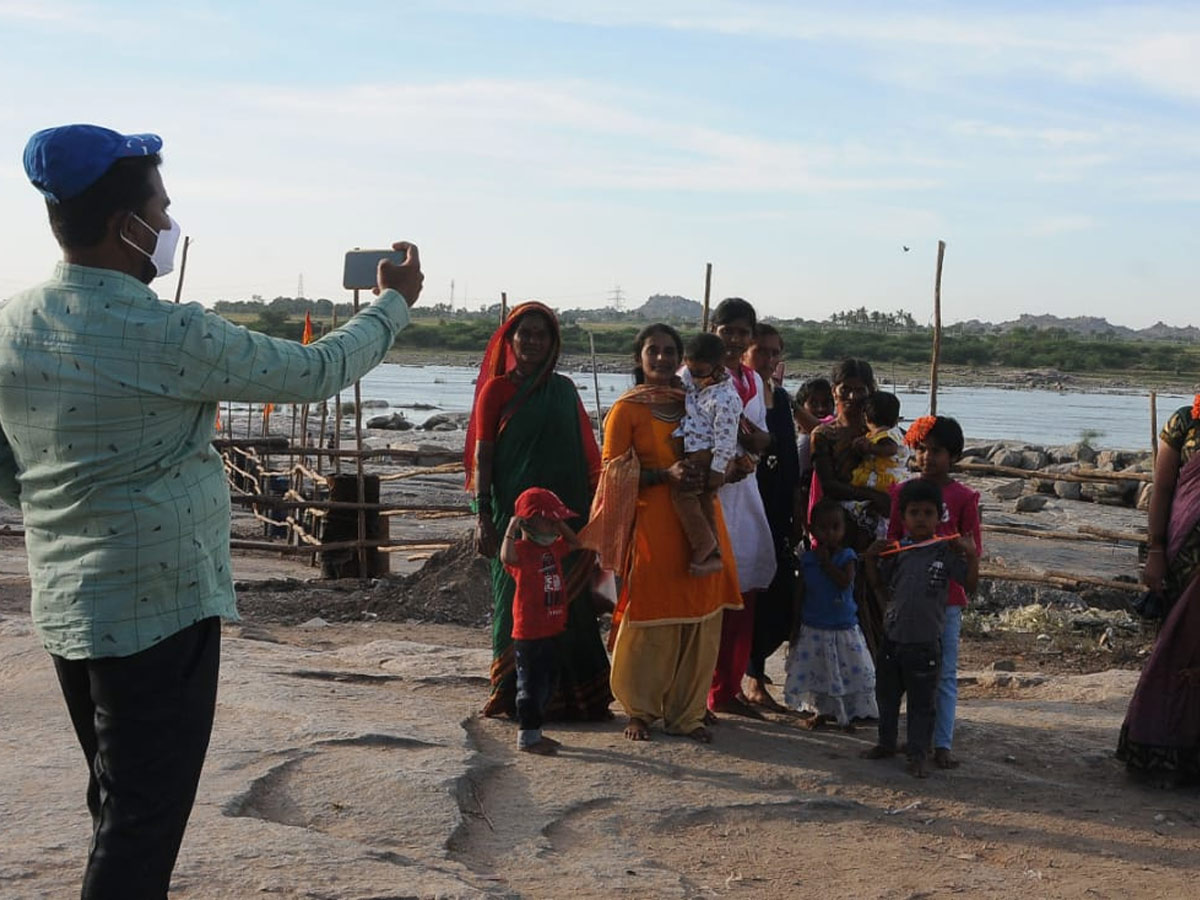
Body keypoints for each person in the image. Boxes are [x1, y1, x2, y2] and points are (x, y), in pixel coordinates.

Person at [0, 123, 424, 898]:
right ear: (125, 225)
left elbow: (8, 469)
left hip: (65, 607)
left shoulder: (9, 326)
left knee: (117, 801)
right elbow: (317, 369)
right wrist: (393, 304)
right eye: (159, 210)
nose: (167, 225)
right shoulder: (170, 333)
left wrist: (70, 500)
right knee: (142, 824)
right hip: (158, 612)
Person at [582, 324, 742, 742]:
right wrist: (662, 475)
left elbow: (728, 439)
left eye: (670, 351)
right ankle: (641, 709)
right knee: (650, 616)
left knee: (703, 614)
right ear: (639, 358)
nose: (662, 359)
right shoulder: (628, 409)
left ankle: (688, 711)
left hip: (704, 521)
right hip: (655, 522)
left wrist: (732, 466)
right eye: (653, 351)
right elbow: (612, 471)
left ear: (683, 357)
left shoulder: (699, 397)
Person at [465, 302, 613, 722]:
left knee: (572, 608)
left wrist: (597, 515)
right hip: (516, 523)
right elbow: (483, 460)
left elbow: (589, 456)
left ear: (554, 343)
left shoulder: (564, 390)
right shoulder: (496, 392)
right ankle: (517, 699)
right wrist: (483, 516)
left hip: (567, 522)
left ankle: (579, 701)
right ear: (510, 340)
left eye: (541, 335)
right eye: (524, 334)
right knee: (516, 604)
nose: (532, 341)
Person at [863, 480, 979, 778]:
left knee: (921, 705)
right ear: (902, 517)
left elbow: (969, 585)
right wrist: (870, 559)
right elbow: (878, 584)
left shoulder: (945, 552)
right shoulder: (898, 550)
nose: (921, 519)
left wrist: (972, 556)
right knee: (886, 697)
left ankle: (917, 753)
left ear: (939, 517)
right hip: (893, 639)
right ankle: (886, 743)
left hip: (926, 643)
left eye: (928, 513)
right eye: (914, 513)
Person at [886, 415, 981, 770]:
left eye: (937, 451)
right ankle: (908, 740)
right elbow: (894, 542)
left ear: (953, 455)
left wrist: (961, 552)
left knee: (944, 673)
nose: (928, 458)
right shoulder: (901, 493)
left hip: (947, 602)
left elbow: (973, 548)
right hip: (908, 601)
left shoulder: (964, 497)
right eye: (922, 450)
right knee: (900, 671)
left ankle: (941, 743)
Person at [1116, 394, 1200, 785]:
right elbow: (1163, 490)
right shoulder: (1184, 422)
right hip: (1187, 562)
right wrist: (1155, 551)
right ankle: (1162, 752)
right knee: (1179, 655)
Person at [704, 299, 777, 720]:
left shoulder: (752, 380)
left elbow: (763, 435)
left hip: (744, 492)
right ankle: (698, 688)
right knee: (705, 593)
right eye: (726, 330)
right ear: (714, 331)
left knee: (743, 590)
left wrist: (755, 442)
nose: (734, 339)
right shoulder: (694, 374)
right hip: (710, 493)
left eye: (741, 332)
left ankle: (726, 687)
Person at [809, 359, 891, 656]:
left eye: (861, 391)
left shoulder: (882, 437)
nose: (854, 399)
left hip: (875, 531)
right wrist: (870, 496)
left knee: (875, 598)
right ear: (834, 392)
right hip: (839, 530)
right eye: (847, 391)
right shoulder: (824, 435)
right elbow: (829, 484)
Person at [743, 324, 801, 710]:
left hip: (777, 508)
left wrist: (796, 507)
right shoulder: (737, 396)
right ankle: (746, 677)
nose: (768, 359)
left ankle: (753, 671)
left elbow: (791, 457)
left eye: (774, 352)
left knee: (778, 595)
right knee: (744, 594)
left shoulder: (780, 399)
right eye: (761, 351)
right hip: (744, 505)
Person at [500, 487, 583, 756]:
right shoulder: (522, 551)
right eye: (547, 520)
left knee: (549, 683)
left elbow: (575, 543)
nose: (552, 526)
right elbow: (506, 556)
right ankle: (528, 737)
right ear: (529, 522)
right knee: (531, 686)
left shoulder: (553, 549)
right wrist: (512, 527)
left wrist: (558, 522)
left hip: (552, 629)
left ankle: (537, 732)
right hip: (530, 633)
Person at [783, 500, 877, 729]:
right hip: (814, 625)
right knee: (819, 671)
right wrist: (795, 625)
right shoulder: (807, 560)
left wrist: (826, 564)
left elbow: (845, 583)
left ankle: (848, 713)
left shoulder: (847, 557)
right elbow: (800, 592)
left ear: (844, 530)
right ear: (812, 530)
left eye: (835, 527)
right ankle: (821, 711)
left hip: (842, 627)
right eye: (823, 528)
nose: (830, 533)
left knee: (848, 671)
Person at [672, 332, 742, 576]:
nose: (694, 378)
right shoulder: (697, 382)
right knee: (705, 503)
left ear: (718, 368)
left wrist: (717, 469)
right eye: (692, 372)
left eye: (700, 373)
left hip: (706, 455)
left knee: (683, 496)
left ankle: (703, 544)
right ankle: (714, 554)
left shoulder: (725, 397)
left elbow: (726, 438)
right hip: (697, 451)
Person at [793, 376, 835, 549]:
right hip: (802, 506)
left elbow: (819, 427)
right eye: (814, 403)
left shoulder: (831, 431)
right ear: (803, 406)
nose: (820, 408)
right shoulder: (796, 438)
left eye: (826, 403)